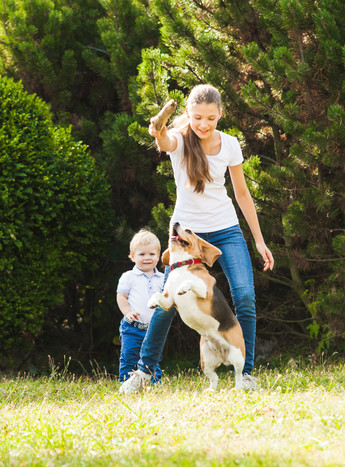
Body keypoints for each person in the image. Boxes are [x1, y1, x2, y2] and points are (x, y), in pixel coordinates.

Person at [119, 84, 274, 393]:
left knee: (244, 296)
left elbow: (241, 193)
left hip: (226, 228)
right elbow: (163, 139)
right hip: (186, 233)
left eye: (211, 119)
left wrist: (258, 240)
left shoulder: (229, 145)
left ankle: (245, 374)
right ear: (188, 114)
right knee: (168, 299)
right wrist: (157, 126)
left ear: (220, 116)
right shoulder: (180, 141)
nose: (204, 125)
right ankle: (144, 372)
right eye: (198, 117)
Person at [117, 228, 165, 383]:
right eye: (142, 254)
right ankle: (126, 383)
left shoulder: (163, 278)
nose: (147, 258)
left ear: (158, 256)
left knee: (153, 357)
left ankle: (153, 384)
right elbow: (122, 296)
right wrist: (127, 312)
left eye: (152, 254)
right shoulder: (129, 276)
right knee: (129, 356)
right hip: (132, 327)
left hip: (154, 328)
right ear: (132, 256)